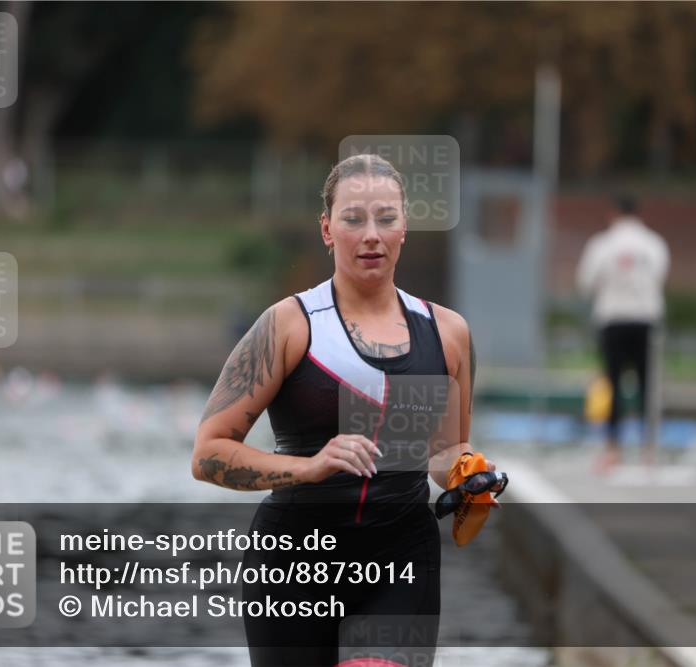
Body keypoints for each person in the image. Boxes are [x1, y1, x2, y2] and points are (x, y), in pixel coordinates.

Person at [191, 154, 500, 667]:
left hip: (401, 561)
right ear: (327, 229)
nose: (371, 234)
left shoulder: (448, 333)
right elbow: (208, 454)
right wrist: (308, 468)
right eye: (353, 218)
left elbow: (446, 452)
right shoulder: (286, 326)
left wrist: (471, 476)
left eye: (386, 217)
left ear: (406, 227)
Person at [575, 194, 670, 472]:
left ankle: (612, 449)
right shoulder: (653, 244)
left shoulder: (602, 244)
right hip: (646, 319)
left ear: (612, 214)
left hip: (612, 318)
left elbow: (586, 282)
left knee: (613, 383)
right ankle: (648, 450)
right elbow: (660, 277)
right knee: (647, 385)